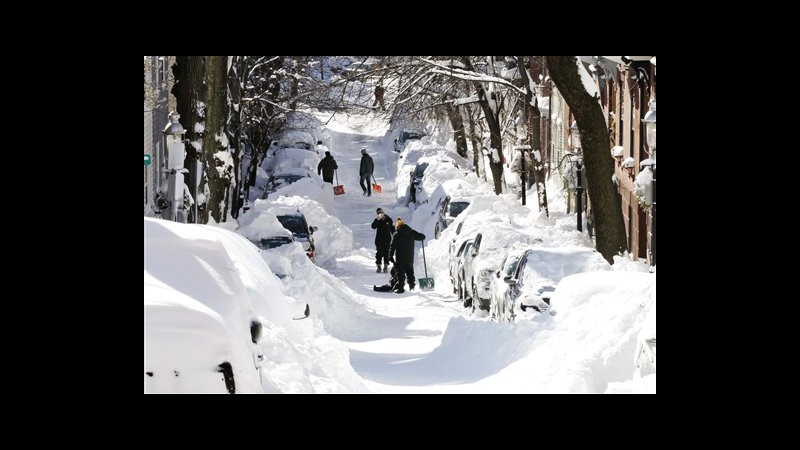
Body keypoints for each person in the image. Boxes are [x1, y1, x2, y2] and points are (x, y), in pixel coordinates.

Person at [388, 217, 425, 293]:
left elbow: (392, 246)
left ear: (397, 226)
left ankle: (401, 288)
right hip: (410, 258)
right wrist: (421, 237)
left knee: (400, 274)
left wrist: (390, 256)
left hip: (400, 258)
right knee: (410, 272)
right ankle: (412, 287)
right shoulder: (412, 232)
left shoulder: (396, 234)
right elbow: (422, 237)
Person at [371, 208, 395, 273]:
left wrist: (395, 236)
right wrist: (377, 220)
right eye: (378, 213)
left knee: (386, 253)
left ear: (383, 213)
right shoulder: (377, 220)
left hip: (387, 240)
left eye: (381, 213)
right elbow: (373, 226)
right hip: (379, 240)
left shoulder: (388, 219)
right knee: (379, 253)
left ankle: (386, 266)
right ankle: (378, 266)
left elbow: (392, 229)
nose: (380, 214)